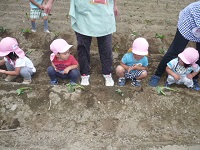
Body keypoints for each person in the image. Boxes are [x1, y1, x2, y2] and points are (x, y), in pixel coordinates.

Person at [43, 0, 118, 86]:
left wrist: (114, 5)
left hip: (104, 11)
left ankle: (107, 73)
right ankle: (84, 73)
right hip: (84, 10)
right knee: (83, 46)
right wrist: (50, 2)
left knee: (106, 46)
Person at [149, 1, 200, 90]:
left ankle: (193, 77)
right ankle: (157, 74)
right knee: (176, 50)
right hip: (190, 20)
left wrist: (192, 74)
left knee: (199, 56)